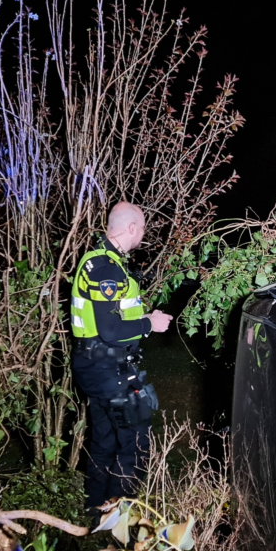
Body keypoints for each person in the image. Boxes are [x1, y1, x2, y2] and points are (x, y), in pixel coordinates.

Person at [70, 201, 173, 511]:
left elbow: (112, 317)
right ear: (131, 228)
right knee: (134, 444)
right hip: (106, 368)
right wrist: (149, 324)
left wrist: (144, 315)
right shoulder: (106, 269)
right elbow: (110, 329)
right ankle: (120, 518)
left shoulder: (100, 260)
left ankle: (95, 507)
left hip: (99, 367)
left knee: (104, 440)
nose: (142, 235)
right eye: (141, 229)